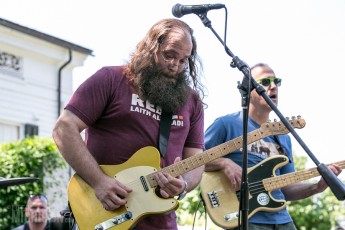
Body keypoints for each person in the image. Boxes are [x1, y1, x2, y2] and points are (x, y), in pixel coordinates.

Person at [52, 18, 206, 230]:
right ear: (151, 47)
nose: (175, 66)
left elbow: (196, 159)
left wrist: (184, 185)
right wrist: (98, 181)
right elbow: (64, 128)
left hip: (162, 222)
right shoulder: (111, 79)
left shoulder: (191, 101)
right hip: (105, 213)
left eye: (183, 60)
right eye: (169, 55)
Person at [204, 63, 342, 229]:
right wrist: (224, 162)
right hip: (245, 218)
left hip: (282, 220)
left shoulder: (283, 136)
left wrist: (316, 187)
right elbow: (194, 161)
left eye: (276, 81)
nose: (273, 86)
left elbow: (287, 189)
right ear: (248, 89)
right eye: (265, 82)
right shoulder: (227, 124)